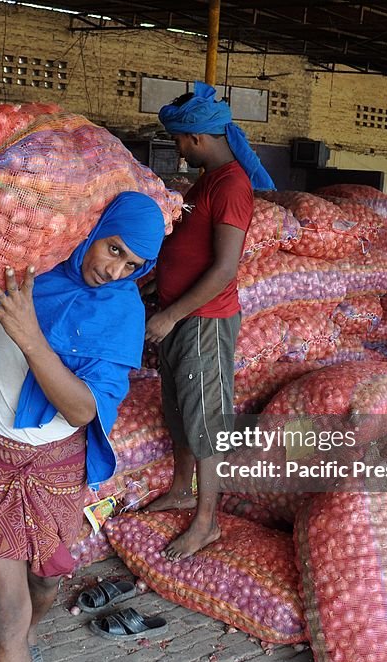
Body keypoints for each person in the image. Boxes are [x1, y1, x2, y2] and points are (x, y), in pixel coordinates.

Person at [0, 192, 165, 662]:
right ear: (94, 229)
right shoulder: (26, 269)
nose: (116, 271)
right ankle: (15, 643)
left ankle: (29, 633)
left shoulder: (121, 312)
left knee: (46, 580)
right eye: (113, 249)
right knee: (5, 609)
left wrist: (28, 333)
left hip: (56, 466)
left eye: (132, 264)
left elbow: (80, 410)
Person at [144, 82, 276, 561]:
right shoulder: (206, 181)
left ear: (196, 138)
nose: (178, 149)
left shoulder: (232, 185)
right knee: (179, 412)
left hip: (202, 321)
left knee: (206, 422)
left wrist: (173, 313)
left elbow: (224, 268)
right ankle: (182, 490)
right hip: (178, 318)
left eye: (178, 141)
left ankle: (207, 522)